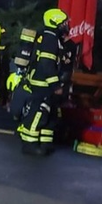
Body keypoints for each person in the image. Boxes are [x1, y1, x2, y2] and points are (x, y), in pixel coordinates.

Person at [17, 8, 70, 156]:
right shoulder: (50, 39)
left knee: (51, 114)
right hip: (42, 82)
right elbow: (47, 65)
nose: (66, 25)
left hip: (45, 82)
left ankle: (46, 143)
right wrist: (55, 85)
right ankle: (29, 143)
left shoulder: (52, 37)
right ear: (55, 22)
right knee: (39, 112)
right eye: (63, 23)